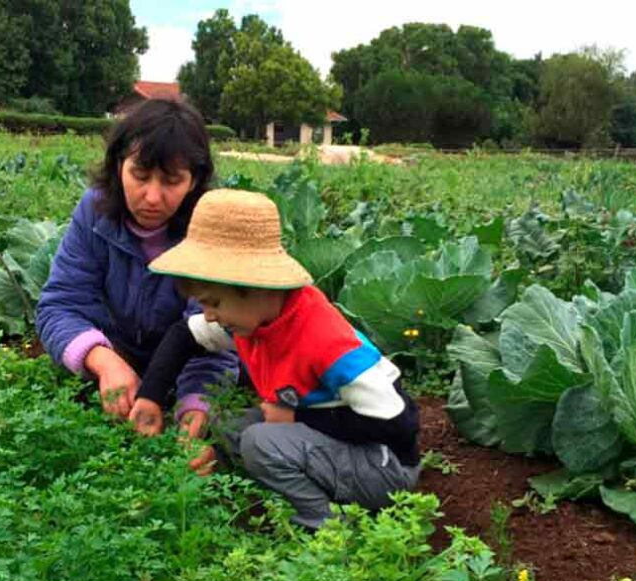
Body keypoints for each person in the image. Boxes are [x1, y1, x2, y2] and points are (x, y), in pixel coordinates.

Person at [127, 189, 421, 530]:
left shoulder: (325, 342)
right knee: (229, 426)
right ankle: (223, 472)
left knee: (260, 441)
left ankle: (326, 525)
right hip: (340, 437)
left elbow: (400, 424)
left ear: (258, 288)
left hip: (385, 466)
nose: (208, 316)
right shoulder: (259, 317)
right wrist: (149, 396)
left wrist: (295, 417)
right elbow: (184, 335)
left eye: (213, 304)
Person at [36, 99, 237, 437]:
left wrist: (194, 408)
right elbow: (59, 305)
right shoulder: (94, 211)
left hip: (184, 370)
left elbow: (215, 340)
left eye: (171, 181)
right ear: (118, 166)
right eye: (140, 176)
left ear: (194, 180)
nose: (153, 197)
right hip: (115, 352)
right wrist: (104, 361)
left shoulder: (211, 229)